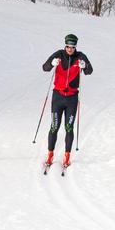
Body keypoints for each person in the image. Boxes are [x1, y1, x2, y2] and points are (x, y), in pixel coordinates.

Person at [41, 33, 93, 168]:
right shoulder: (58, 54)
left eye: (72, 47)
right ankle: (50, 154)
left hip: (71, 98)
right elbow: (45, 68)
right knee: (54, 127)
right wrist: (51, 64)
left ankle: (67, 156)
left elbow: (90, 71)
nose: (70, 49)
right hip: (57, 97)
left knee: (68, 127)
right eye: (68, 46)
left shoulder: (80, 56)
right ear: (65, 45)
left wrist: (85, 66)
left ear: (75, 47)